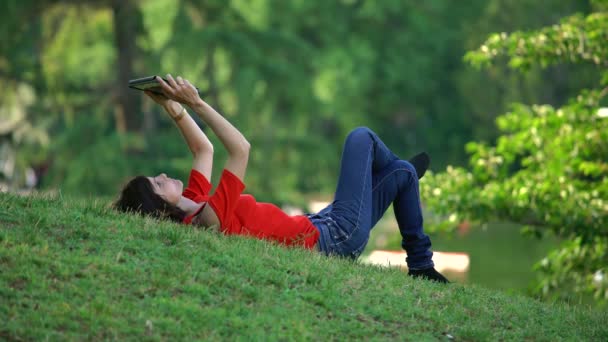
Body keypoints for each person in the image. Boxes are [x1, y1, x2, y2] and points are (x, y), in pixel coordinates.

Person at [115, 75, 449, 283]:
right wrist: (198, 103)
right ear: (160, 209)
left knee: (403, 175)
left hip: (320, 223)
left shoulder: (194, 200)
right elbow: (240, 150)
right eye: (157, 185)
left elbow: (203, 150)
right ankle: (393, 177)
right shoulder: (206, 220)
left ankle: (421, 264)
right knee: (361, 138)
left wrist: (172, 107)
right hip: (332, 239)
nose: (161, 176)